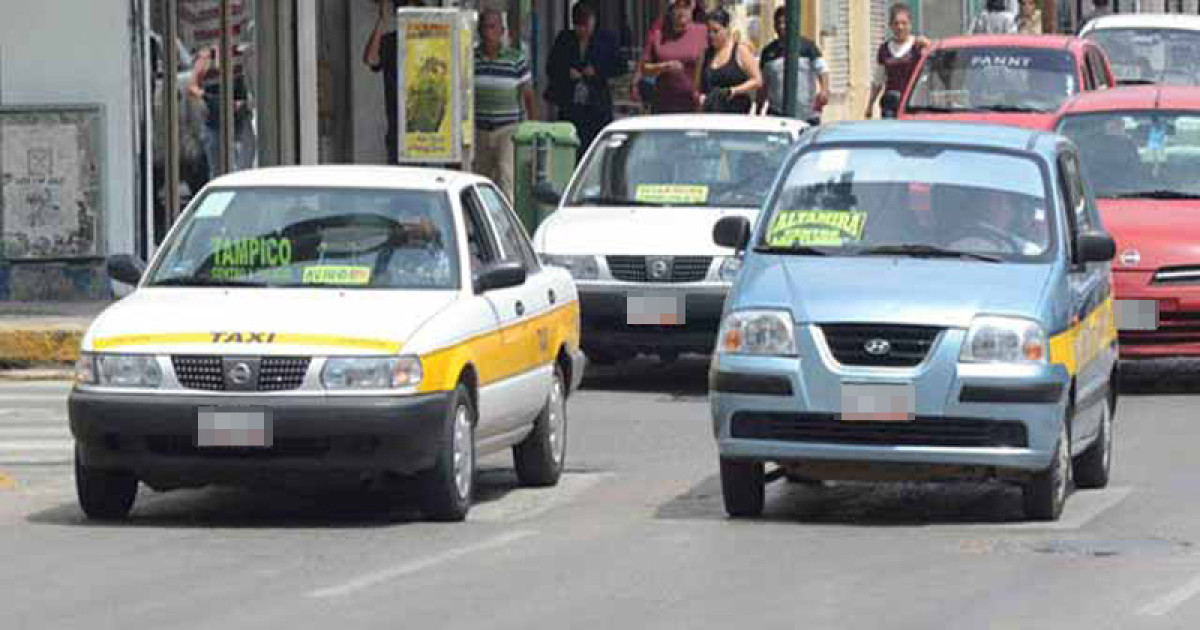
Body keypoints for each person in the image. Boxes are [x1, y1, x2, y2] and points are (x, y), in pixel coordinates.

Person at [473, 8, 539, 202]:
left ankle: (505, 226)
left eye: (493, 27)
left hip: (508, 129)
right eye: (484, 27)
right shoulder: (472, 59)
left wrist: (532, 127)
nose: (488, 33)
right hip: (480, 130)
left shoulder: (515, 59)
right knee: (479, 180)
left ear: (502, 31)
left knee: (505, 177)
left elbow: (528, 95)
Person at [546, 2, 622, 156]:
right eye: (580, 26)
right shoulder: (565, 38)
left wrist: (597, 71)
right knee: (570, 147)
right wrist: (567, 72)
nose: (584, 31)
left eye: (587, 26)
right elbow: (551, 66)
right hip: (571, 105)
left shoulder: (606, 40)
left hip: (596, 105)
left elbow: (619, 66)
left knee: (595, 147)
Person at [187, 43, 255, 180]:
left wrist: (245, 103)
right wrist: (208, 98)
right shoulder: (206, 59)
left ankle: (241, 182)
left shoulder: (239, 55)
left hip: (239, 117)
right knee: (217, 166)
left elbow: (250, 82)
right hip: (215, 119)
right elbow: (192, 87)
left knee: (247, 151)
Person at [759, 5, 830, 123]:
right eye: (778, 23)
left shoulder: (808, 47)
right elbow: (763, 84)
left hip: (807, 114)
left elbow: (822, 70)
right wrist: (759, 107)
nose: (781, 26)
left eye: (784, 22)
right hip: (777, 113)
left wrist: (824, 91)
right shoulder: (768, 52)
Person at [631, 0, 706, 108]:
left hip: (693, 105)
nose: (682, 11)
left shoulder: (702, 32)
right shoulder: (658, 33)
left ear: (693, 7)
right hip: (663, 104)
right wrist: (664, 67)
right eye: (677, 6)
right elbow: (644, 68)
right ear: (671, 9)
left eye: (686, 6)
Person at [865, 4, 929, 119]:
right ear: (890, 26)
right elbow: (878, 80)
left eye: (904, 23)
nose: (900, 27)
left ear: (910, 24)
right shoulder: (884, 49)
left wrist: (928, 45)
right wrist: (870, 104)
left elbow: (934, 65)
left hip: (913, 104)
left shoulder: (918, 46)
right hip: (891, 104)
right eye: (896, 23)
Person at [699, 8, 762, 114]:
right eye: (709, 31)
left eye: (716, 31)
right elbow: (698, 86)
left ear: (727, 29)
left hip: (736, 112)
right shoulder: (705, 55)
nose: (711, 35)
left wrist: (733, 91)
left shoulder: (740, 51)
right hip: (711, 112)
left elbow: (757, 80)